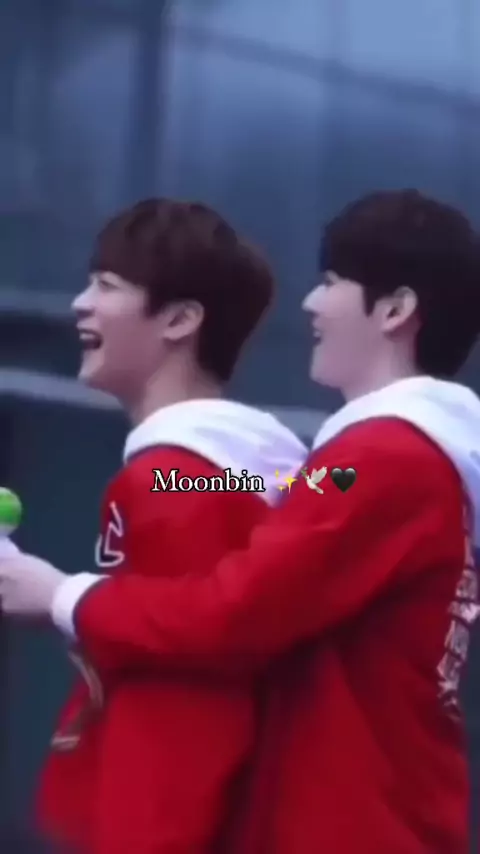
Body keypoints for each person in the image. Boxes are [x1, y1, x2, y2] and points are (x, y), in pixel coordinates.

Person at [2, 189, 480, 853]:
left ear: (396, 310)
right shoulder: (379, 463)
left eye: (331, 281)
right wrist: (199, 461)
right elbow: (299, 490)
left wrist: (60, 594)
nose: (309, 303)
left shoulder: (388, 456)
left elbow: (234, 612)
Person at [0, 198, 306, 854]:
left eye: (106, 285)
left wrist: (57, 596)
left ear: (179, 319)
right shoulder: (217, 474)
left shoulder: (173, 478)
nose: (81, 303)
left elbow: (185, 701)